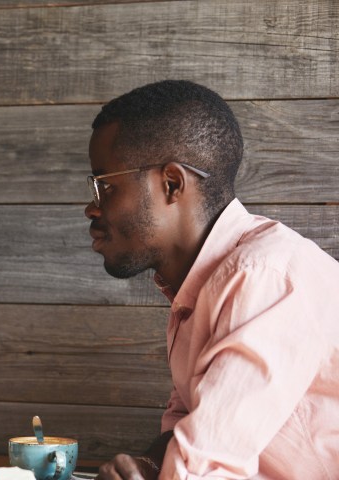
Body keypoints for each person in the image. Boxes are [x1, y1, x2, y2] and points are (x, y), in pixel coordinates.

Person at [85, 80, 339, 479]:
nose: (91, 208)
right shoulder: (201, 287)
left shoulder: (261, 277)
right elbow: (191, 424)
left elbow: (205, 467)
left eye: (105, 186)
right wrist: (149, 465)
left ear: (172, 183)